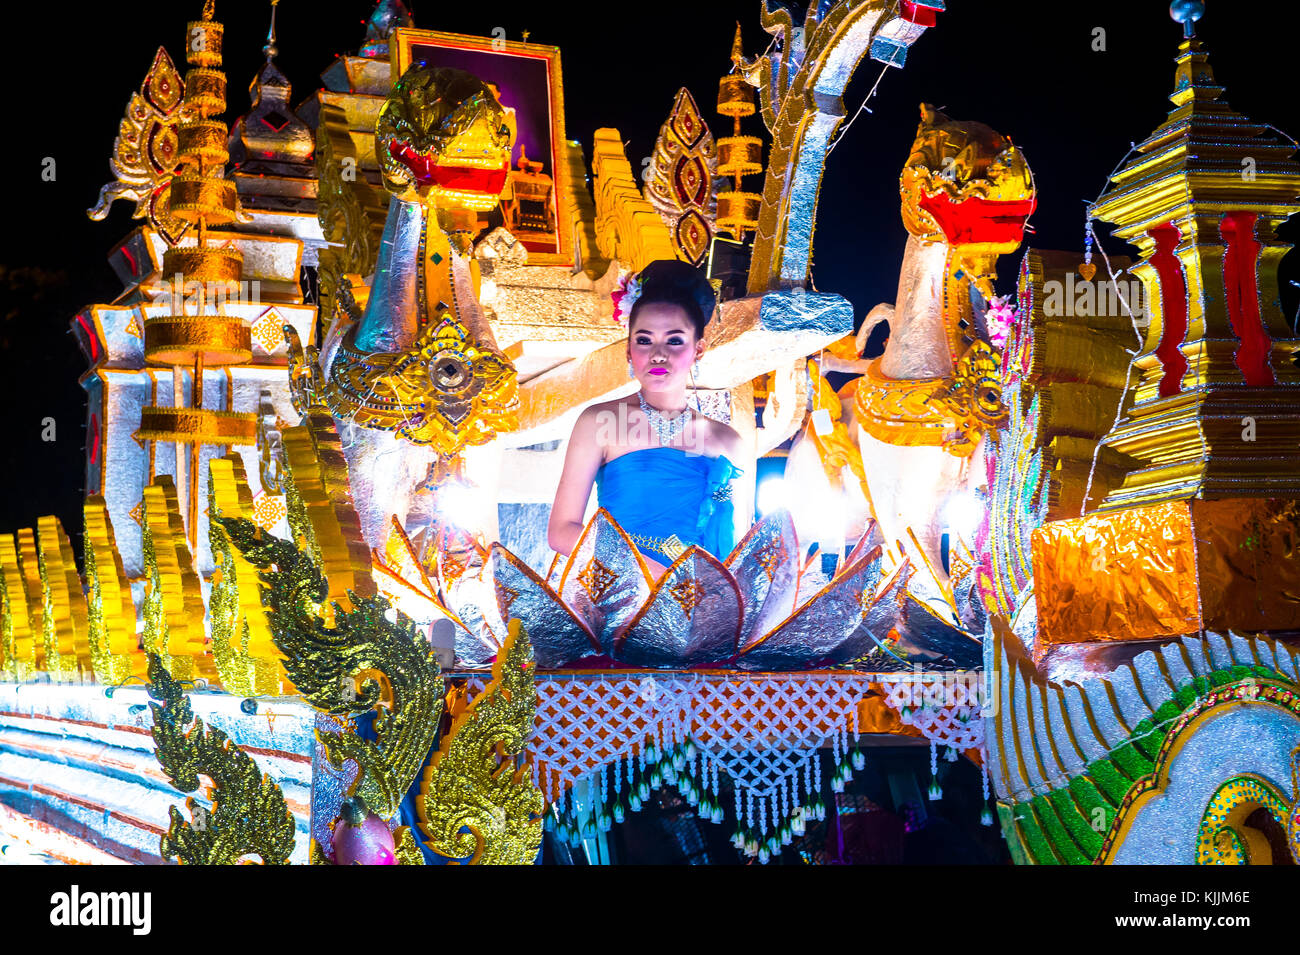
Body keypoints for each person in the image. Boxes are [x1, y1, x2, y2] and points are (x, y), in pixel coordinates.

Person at [547, 260, 748, 580]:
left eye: (674, 340)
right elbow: (561, 531)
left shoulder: (727, 440)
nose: (658, 354)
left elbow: (733, 548)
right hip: (619, 598)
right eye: (644, 339)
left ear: (698, 350)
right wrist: (649, 572)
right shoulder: (600, 422)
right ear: (629, 350)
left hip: (701, 605)